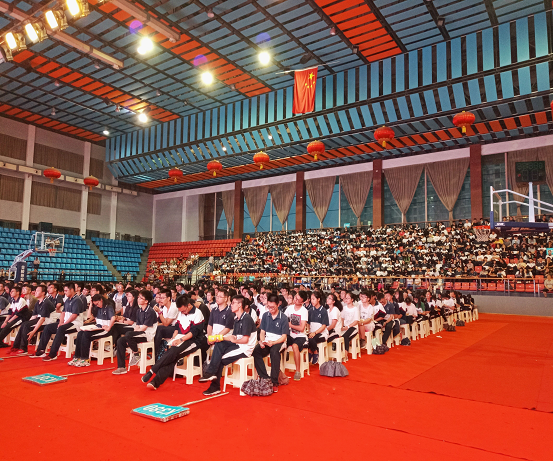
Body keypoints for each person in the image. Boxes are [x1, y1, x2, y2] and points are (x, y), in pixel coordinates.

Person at [141, 294, 205, 389]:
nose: (182, 312)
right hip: (180, 338)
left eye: (183, 310)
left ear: (188, 305)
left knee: (173, 353)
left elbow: (193, 333)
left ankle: (152, 371)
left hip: (193, 341)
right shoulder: (181, 312)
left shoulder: (198, 313)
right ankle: (155, 382)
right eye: (181, 311)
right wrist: (173, 338)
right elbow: (177, 327)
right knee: (172, 355)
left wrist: (180, 340)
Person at [199, 295, 256, 396]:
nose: (231, 305)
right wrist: (221, 338)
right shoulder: (237, 318)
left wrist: (235, 340)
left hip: (244, 348)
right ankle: (211, 374)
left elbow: (245, 340)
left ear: (240, 305)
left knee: (220, 359)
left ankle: (214, 384)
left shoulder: (246, 318)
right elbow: (233, 337)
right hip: (238, 344)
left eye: (233, 303)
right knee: (219, 343)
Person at [34, 282, 85, 361]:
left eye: (66, 291)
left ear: (72, 290)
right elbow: (63, 313)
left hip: (75, 324)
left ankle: (53, 354)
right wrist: (61, 322)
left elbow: (74, 315)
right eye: (64, 291)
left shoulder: (77, 300)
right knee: (48, 327)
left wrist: (64, 324)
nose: (65, 292)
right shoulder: (67, 300)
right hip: (66, 323)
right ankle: (41, 350)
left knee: (61, 329)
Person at [112, 290, 158, 375]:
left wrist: (131, 336)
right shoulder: (139, 311)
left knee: (128, 334)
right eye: (138, 297)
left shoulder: (150, 311)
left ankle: (136, 354)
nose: (138, 299)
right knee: (120, 341)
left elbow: (144, 328)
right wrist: (131, 335)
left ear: (146, 301)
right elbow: (137, 326)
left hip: (147, 335)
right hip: (140, 333)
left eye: (141, 298)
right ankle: (121, 367)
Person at [253, 293, 289, 392]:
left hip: (279, 341)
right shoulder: (266, 315)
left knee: (274, 352)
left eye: (273, 307)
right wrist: (261, 341)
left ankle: (274, 381)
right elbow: (262, 332)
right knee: (256, 351)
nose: (270, 309)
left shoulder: (283, 317)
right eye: (269, 307)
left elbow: (284, 337)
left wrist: (273, 343)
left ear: (278, 304)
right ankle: (265, 377)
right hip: (267, 340)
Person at [69, 296, 116, 367]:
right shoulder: (96, 308)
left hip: (105, 329)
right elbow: (88, 316)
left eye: (97, 303)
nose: (97, 305)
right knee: (80, 333)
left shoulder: (108, 307)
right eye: (95, 304)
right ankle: (77, 357)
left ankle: (85, 359)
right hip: (98, 327)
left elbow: (113, 318)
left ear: (101, 300)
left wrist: (109, 327)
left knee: (86, 335)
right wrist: (91, 305)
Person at [10, 285, 54, 354]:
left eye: (38, 291)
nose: (35, 292)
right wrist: (28, 323)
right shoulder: (37, 302)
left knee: (26, 326)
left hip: (48, 322)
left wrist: (33, 331)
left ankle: (23, 349)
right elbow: (34, 316)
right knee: (24, 324)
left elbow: (42, 319)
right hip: (41, 320)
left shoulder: (46, 303)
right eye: (35, 290)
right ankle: (16, 346)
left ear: (43, 293)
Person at [284, 291, 309, 381]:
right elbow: (284, 319)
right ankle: (280, 369)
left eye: (298, 300)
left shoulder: (304, 311)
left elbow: (302, 328)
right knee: (280, 343)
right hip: (290, 334)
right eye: (295, 297)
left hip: (300, 336)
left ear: (302, 302)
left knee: (295, 346)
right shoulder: (289, 308)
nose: (295, 300)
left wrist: (289, 324)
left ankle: (297, 371)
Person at [153, 288, 178, 359]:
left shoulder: (174, 307)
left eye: (163, 298)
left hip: (176, 329)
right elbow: (164, 322)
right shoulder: (165, 308)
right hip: (169, 327)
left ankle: (155, 353)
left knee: (160, 329)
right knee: (155, 327)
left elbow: (166, 323)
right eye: (160, 298)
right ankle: (155, 352)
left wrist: (159, 312)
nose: (161, 300)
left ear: (168, 298)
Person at [307, 290, 329, 364]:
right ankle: (311, 351)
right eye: (311, 299)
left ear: (318, 299)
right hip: (312, 332)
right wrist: (309, 331)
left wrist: (315, 332)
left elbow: (324, 326)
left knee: (311, 339)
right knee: (306, 339)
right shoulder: (310, 310)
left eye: (314, 299)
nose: (312, 301)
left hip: (322, 333)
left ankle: (315, 352)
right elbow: (308, 323)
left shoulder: (323, 311)